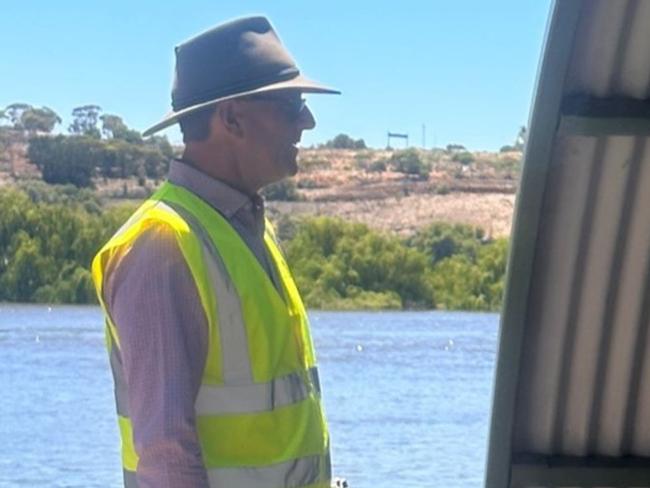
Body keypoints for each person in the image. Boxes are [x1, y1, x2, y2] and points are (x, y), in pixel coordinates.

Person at [91, 16, 340, 488]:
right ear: (230, 118)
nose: (307, 121)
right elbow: (167, 461)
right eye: (292, 104)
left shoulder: (246, 228)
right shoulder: (161, 244)